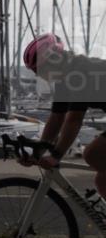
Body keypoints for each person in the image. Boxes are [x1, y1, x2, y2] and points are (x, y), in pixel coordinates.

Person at [22, 33, 106, 199]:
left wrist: (56, 156)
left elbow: (74, 119)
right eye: (34, 71)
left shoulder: (79, 72)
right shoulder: (64, 77)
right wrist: (38, 151)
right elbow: (57, 118)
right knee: (102, 181)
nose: (38, 75)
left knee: (93, 154)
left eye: (39, 69)